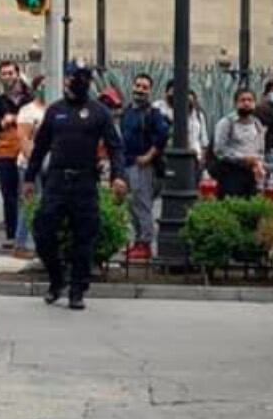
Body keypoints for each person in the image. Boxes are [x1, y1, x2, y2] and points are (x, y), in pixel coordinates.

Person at [23, 61, 128, 310]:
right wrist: (29, 178)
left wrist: (119, 176)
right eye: (72, 78)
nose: (74, 82)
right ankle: (56, 279)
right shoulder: (55, 111)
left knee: (85, 238)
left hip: (85, 182)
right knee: (43, 231)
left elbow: (115, 147)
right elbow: (40, 148)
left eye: (80, 79)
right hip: (57, 181)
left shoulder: (99, 112)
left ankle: (77, 290)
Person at [0, 61, 31, 248]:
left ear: (18, 74)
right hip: (5, 152)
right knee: (9, 193)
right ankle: (12, 234)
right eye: (4, 74)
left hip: (26, 151)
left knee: (27, 192)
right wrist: (0, 124)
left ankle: (26, 233)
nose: (7, 77)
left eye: (10, 73)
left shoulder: (29, 100)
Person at [121, 73, 170, 262]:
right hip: (127, 163)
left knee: (142, 205)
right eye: (138, 85)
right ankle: (137, 241)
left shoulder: (153, 114)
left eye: (144, 87)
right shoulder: (127, 112)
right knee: (131, 205)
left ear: (150, 91)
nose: (140, 90)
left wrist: (149, 156)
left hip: (143, 166)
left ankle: (145, 243)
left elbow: (163, 135)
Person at [14, 75, 47, 259]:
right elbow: (23, 139)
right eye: (41, 85)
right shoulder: (27, 111)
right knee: (29, 203)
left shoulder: (54, 108)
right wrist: (32, 163)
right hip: (29, 165)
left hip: (49, 164)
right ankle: (20, 244)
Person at [212, 88, 266, 198]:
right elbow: (219, 150)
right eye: (243, 100)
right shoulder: (226, 123)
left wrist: (258, 163)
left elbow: (260, 148)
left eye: (250, 100)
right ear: (236, 103)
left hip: (251, 174)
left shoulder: (257, 123)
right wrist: (243, 159)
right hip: (231, 173)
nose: (246, 103)